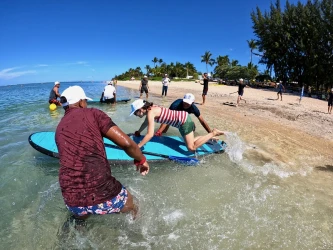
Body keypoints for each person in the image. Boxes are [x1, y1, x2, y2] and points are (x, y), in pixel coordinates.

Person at [56, 85, 149, 221]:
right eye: (85, 101)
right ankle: (138, 231)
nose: (86, 104)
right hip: (101, 190)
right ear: (81, 102)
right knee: (133, 204)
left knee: (80, 216)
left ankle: (78, 225)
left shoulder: (59, 127)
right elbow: (127, 144)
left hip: (70, 198)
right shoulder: (93, 113)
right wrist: (141, 160)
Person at [129, 99, 224, 151]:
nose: (135, 115)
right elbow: (145, 123)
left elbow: (150, 134)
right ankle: (209, 138)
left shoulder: (150, 113)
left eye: (135, 113)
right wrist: (139, 131)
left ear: (141, 109)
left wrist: (138, 146)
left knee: (191, 148)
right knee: (188, 143)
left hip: (184, 122)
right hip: (182, 121)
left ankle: (213, 133)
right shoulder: (150, 109)